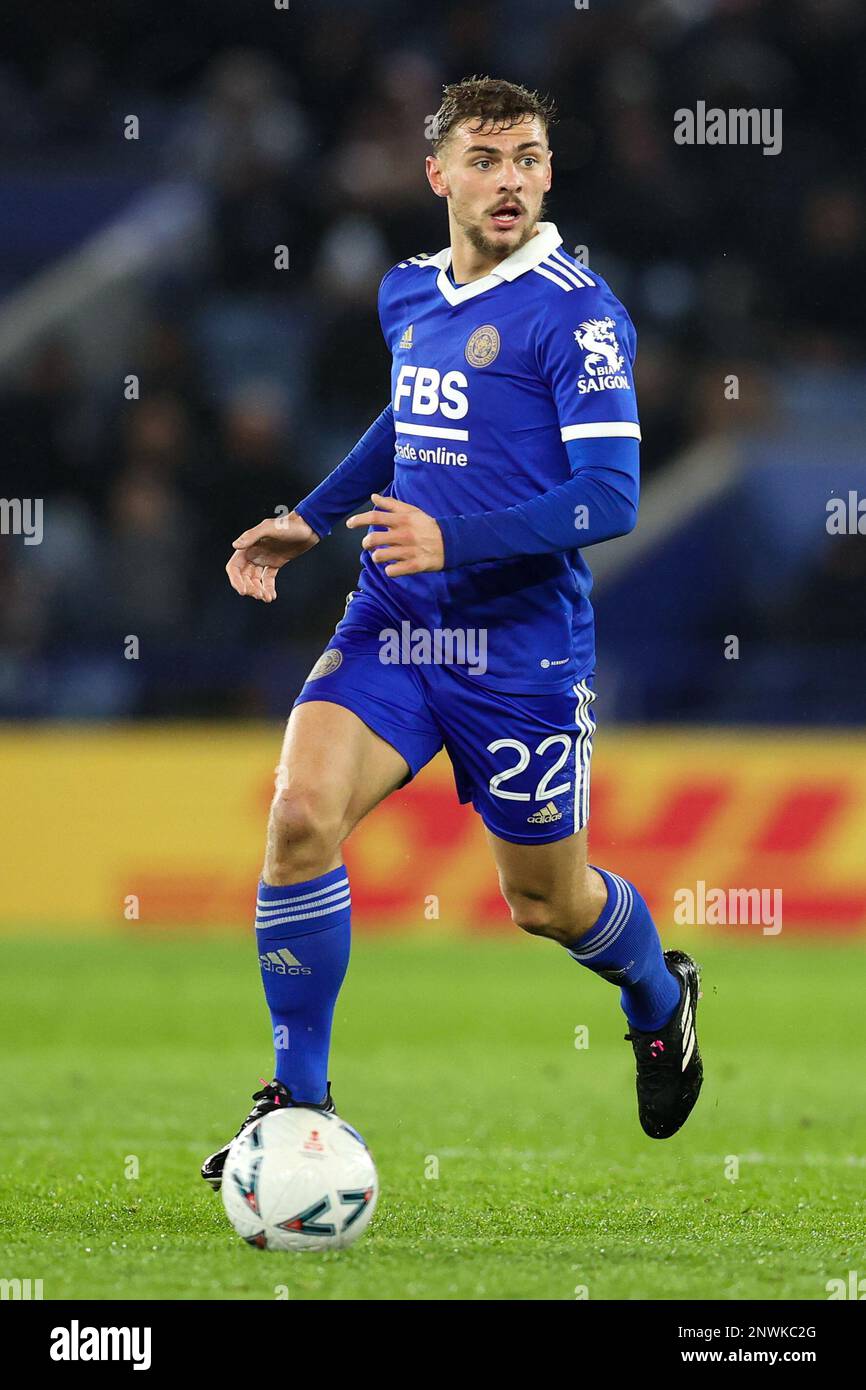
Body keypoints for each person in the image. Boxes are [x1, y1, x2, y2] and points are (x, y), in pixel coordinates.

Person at [202, 76, 703, 1189]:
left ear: (548, 174)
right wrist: (310, 516)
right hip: (395, 619)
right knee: (296, 820)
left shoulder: (578, 313)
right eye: (484, 159)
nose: (509, 179)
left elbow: (610, 497)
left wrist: (457, 538)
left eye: (527, 157)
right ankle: (300, 1105)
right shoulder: (406, 294)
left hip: (517, 651)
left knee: (545, 902)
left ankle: (658, 997)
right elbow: (407, 414)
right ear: (437, 175)